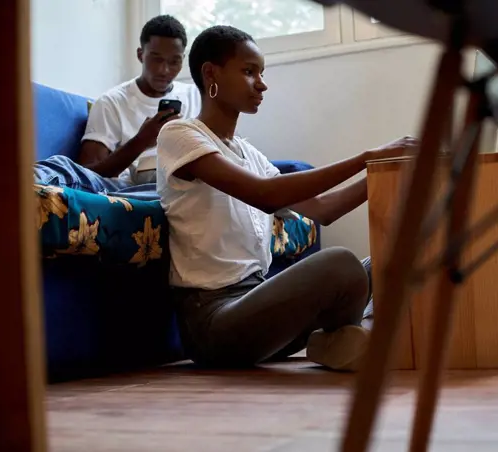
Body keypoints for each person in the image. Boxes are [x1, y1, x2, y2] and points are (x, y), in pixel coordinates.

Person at [156, 25, 418, 371]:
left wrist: (389, 171)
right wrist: (366, 157)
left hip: (260, 312)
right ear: (210, 74)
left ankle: (347, 339)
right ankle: (348, 339)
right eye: (249, 72)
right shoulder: (179, 134)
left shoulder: (250, 154)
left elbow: (325, 209)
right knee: (339, 263)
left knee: (390, 260)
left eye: (261, 73)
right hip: (214, 323)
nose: (261, 84)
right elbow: (265, 197)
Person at [34, 14, 201, 201]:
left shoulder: (196, 96)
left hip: (177, 185)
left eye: (174, 61)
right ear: (141, 55)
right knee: (62, 167)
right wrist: (141, 140)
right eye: (156, 59)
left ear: (183, 59)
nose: (164, 70)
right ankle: (26, 182)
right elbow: (87, 172)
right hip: (131, 188)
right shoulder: (111, 102)